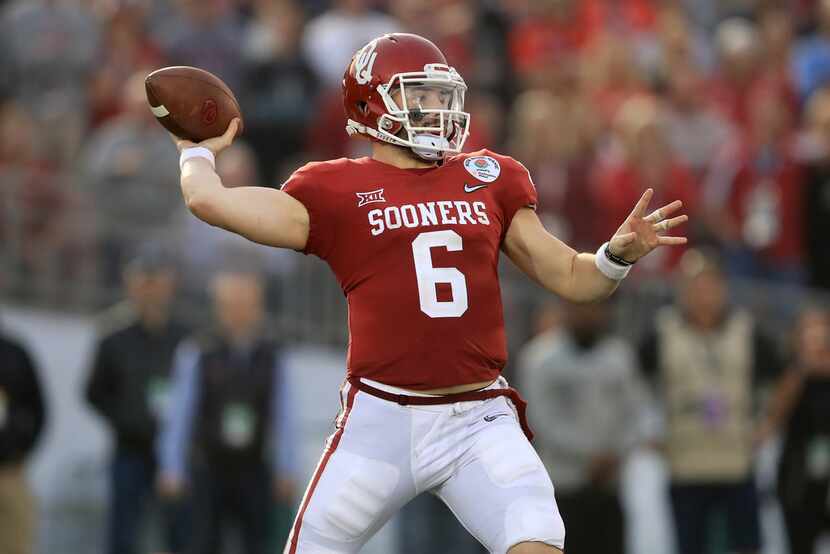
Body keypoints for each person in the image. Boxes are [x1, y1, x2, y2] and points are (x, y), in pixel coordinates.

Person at [167, 33, 688, 554]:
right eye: (421, 96)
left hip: (477, 417)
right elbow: (209, 202)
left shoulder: (489, 177)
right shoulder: (333, 188)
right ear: (372, 104)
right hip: (381, 415)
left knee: (540, 538)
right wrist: (196, 152)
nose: (438, 109)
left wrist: (615, 256)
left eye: (443, 96)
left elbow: (576, 279)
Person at [638, 248, 783, 554]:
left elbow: (783, 374)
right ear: (682, 290)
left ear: (723, 288)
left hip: (736, 462)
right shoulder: (662, 332)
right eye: (695, 286)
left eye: (710, 285)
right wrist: (647, 430)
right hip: (685, 463)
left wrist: (769, 423)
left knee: (746, 545)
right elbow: (633, 380)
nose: (703, 294)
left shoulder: (747, 330)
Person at [157, 268, 296, 554]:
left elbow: (285, 417)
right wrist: (172, 467)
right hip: (208, 467)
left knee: (257, 544)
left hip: (254, 468)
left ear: (258, 309)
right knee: (202, 543)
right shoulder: (198, 351)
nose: (238, 313)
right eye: (231, 305)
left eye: (245, 305)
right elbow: (179, 415)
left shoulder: (273, 356)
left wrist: (286, 468)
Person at [517, 299, 649, 554]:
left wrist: (616, 453)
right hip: (561, 488)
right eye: (579, 307)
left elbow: (637, 413)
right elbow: (540, 420)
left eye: (593, 307)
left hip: (610, 487)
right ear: (564, 309)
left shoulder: (620, 357)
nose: (587, 314)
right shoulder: (540, 358)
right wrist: (589, 456)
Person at [85, 245, 190, 554]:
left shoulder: (183, 338)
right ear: (130, 284)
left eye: (157, 282)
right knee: (123, 532)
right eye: (144, 282)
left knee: (178, 531)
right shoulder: (113, 336)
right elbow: (93, 392)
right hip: (129, 449)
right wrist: (125, 418)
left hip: (172, 452)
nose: (151, 290)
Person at [760, 307, 830, 554]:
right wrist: (803, 368)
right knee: (800, 541)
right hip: (798, 475)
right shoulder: (790, 370)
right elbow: (773, 418)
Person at [0, 328, 46, 554]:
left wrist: (19, 451)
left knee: (15, 543)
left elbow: (38, 410)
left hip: (10, 471)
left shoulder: (14, 352)